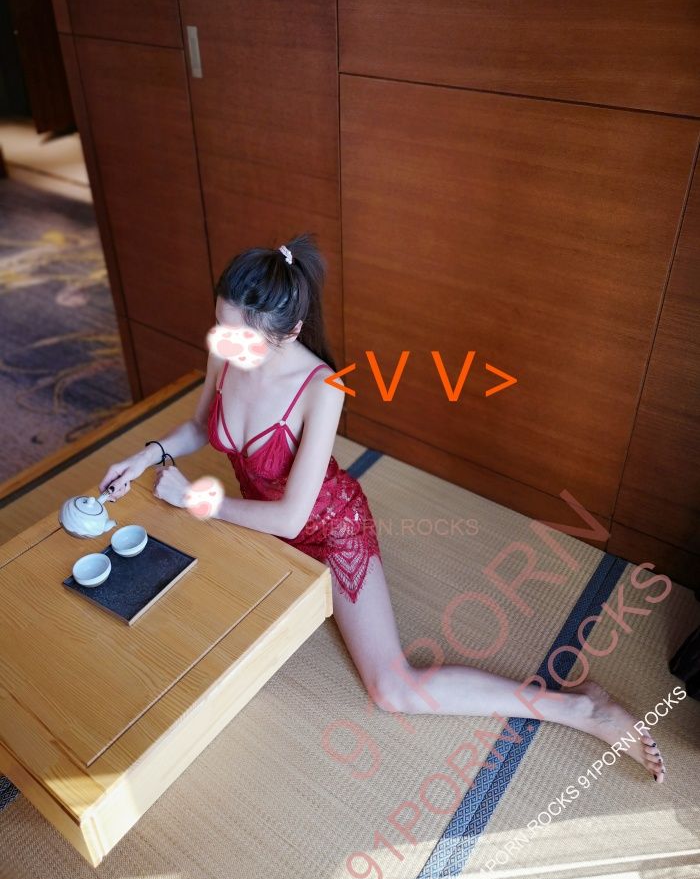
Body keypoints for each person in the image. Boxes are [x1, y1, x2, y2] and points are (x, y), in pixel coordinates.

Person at [98, 232, 665, 782]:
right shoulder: (225, 351)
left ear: (290, 330)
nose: (227, 345)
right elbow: (202, 425)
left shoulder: (321, 386)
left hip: (328, 529)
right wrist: (146, 456)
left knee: (393, 690)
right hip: (256, 524)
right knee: (173, 601)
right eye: (221, 328)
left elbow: (293, 517)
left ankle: (581, 708)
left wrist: (196, 500)